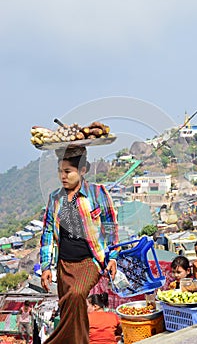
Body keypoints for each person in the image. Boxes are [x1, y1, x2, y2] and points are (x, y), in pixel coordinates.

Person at [40, 147, 119, 344]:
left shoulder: (97, 193)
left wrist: (113, 257)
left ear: (82, 170)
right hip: (64, 265)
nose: (62, 176)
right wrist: (45, 266)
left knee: (76, 295)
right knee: (70, 310)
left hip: (90, 261)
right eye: (60, 171)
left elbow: (110, 225)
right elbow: (48, 231)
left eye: (67, 172)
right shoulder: (55, 198)